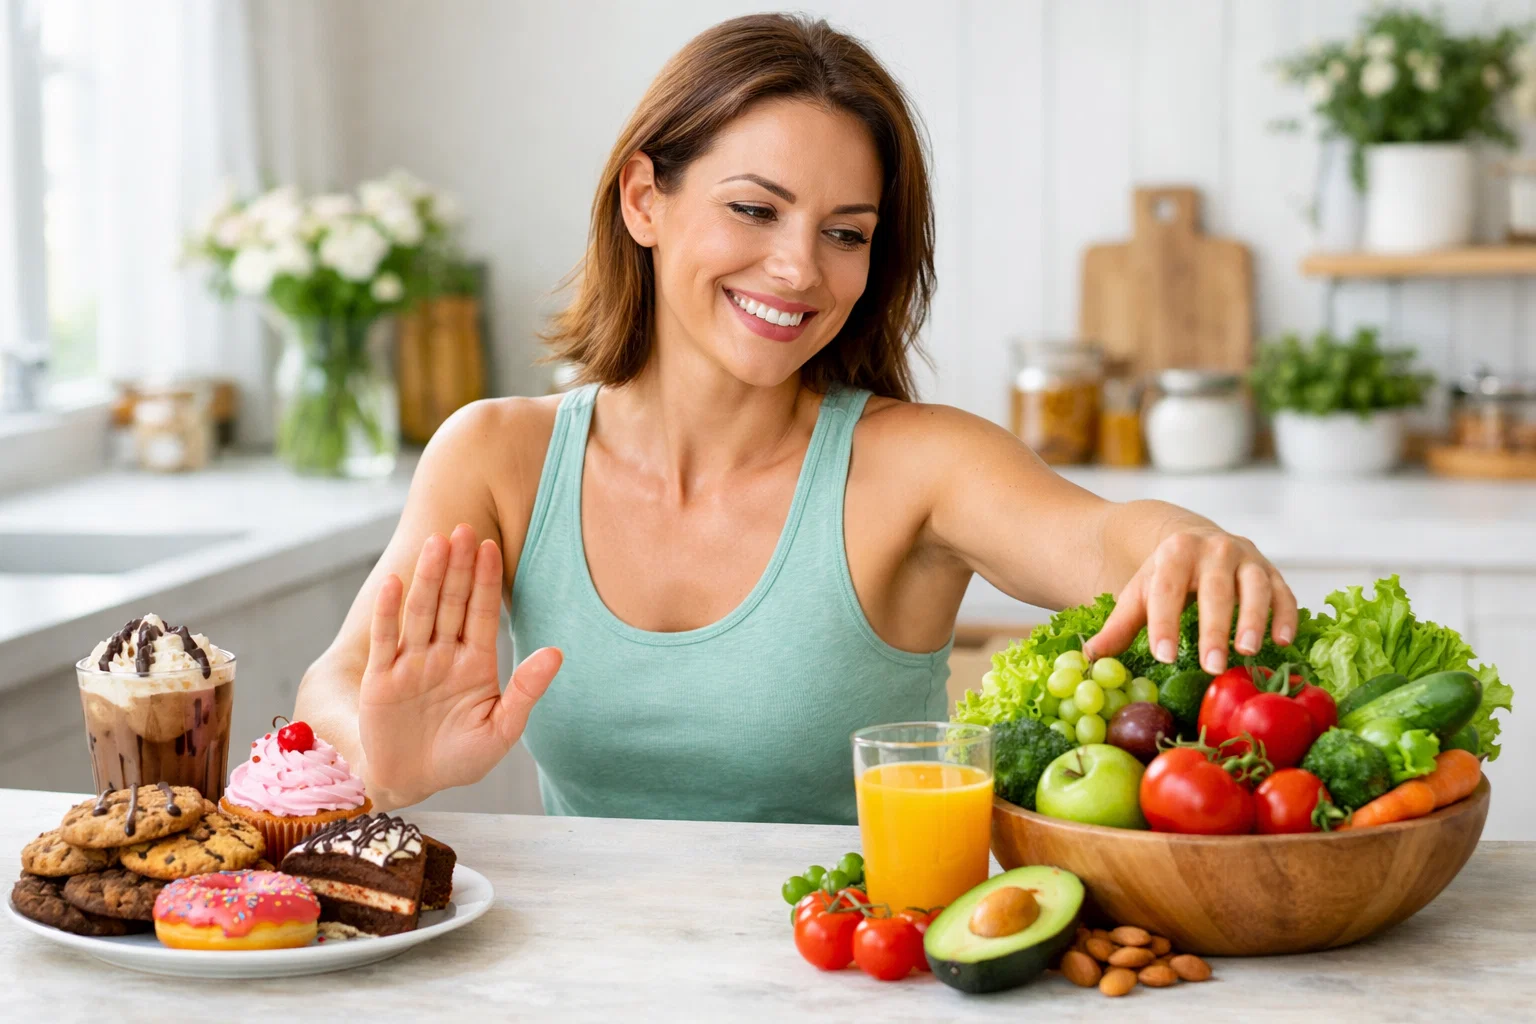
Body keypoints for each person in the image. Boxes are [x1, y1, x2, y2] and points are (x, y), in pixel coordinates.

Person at [295, 13, 1295, 824]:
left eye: (845, 233)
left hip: (858, 965)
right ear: (644, 199)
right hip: (584, 975)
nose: (798, 268)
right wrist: (377, 758)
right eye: (755, 209)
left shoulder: (919, 466)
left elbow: (1104, 539)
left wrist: (1190, 544)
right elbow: (332, 689)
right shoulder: (497, 456)